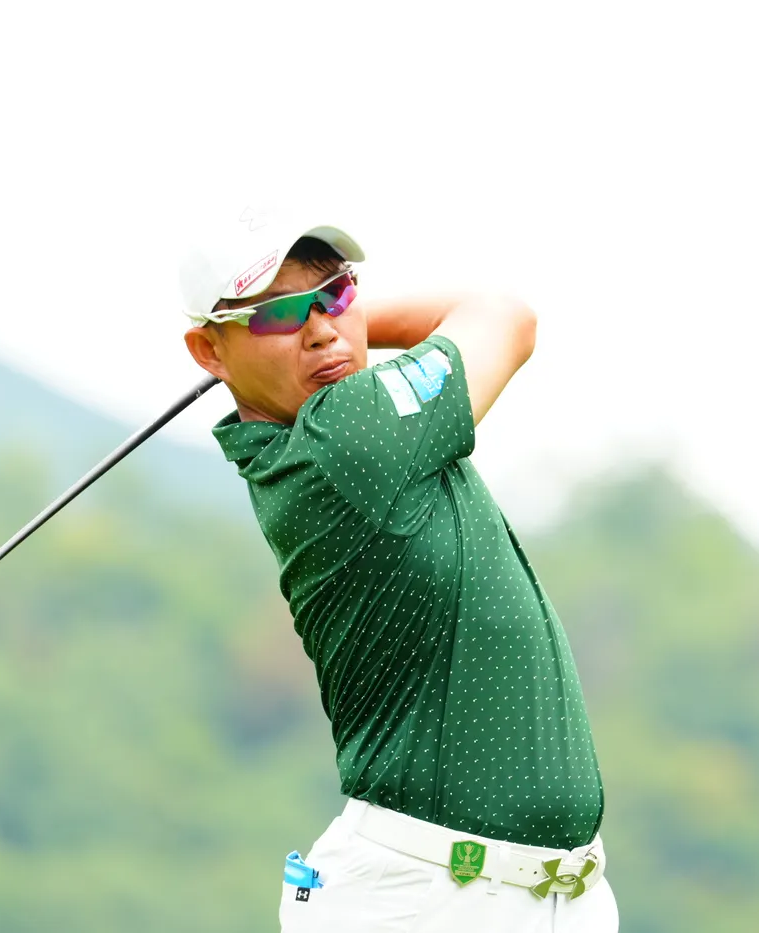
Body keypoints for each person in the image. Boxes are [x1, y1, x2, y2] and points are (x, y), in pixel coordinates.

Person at [178, 203, 618, 932]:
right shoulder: (347, 436)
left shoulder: (343, 429)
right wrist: (348, 319)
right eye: (276, 314)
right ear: (208, 350)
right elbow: (505, 316)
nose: (321, 329)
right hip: (429, 901)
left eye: (335, 292)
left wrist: (304, 321)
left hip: (537, 898)